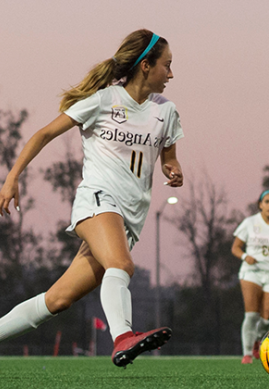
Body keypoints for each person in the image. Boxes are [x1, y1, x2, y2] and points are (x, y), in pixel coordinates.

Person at [0, 29, 184, 367]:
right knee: (122, 265)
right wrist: (12, 178)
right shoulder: (104, 100)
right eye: (167, 66)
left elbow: (168, 156)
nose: (171, 74)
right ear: (146, 66)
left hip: (130, 216)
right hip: (98, 201)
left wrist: (173, 169)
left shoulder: (166, 111)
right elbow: (43, 134)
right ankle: (123, 338)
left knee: (58, 300)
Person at [231, 189, 269, 364]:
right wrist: (245, 256)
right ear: (260, 204)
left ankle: (258, 339)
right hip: (252, 272)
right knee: (251, 315)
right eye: (267, 201)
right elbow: (235, 247)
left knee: (267, 320)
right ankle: (247, 354)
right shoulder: (249, 223)